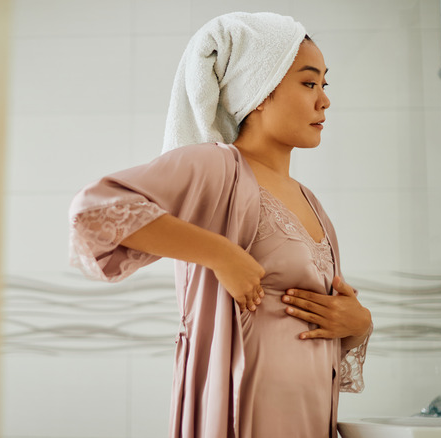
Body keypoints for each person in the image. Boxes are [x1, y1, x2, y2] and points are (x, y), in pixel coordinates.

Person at [69, 12, 372, 438]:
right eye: (308, 83)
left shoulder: (312, 202)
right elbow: (94, 212)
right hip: (237, 418)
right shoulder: (217, 166)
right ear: (260, 90)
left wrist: (357, 326)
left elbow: (312, 324)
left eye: (325, 84)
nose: (324, 100)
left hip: (309, 420)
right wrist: (221, 254)